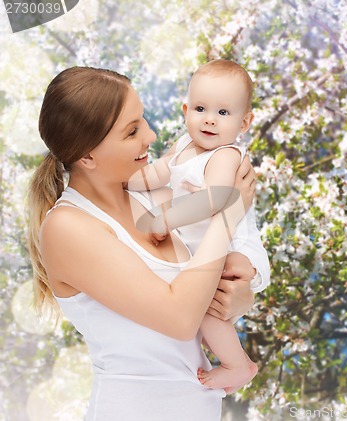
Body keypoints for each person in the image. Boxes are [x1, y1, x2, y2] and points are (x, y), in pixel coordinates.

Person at [26, 66, 259, 421]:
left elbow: (207, 276)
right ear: (87, 156)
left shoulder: (152, 198)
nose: (150, 135)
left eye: (143, 120)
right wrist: (229, 210)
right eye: (132, 130)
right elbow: (180, 317)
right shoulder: (67, 227)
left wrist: (242, 294)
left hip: (200, 408)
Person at [127, 59, 270, 393]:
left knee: (206, 305)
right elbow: (160, 171)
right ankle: (226, 355)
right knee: (203, 303)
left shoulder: (225, 156)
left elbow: (215, 199)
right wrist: (129, 181)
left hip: (236, 248)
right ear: (185, 109)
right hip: (206, 249)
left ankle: (239, 365)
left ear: (244, 122)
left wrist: (166, 219)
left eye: (223, 113)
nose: (209, 119)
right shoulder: (182, 146)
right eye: (201, 108)